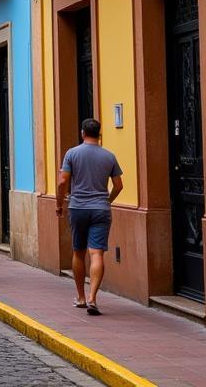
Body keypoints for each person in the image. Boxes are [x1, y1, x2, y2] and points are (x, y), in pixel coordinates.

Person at [56, 118, 123, 316]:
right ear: (99, 134)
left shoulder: (72, 154)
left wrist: (59, 204)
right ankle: (94, 297)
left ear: (83, 132)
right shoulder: (109, 156)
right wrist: (107, 201)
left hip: (78, 208)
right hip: (101, 208)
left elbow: (62, 183)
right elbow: (119, 186)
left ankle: (81, 297)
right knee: (97, 254)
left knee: (78, 252)